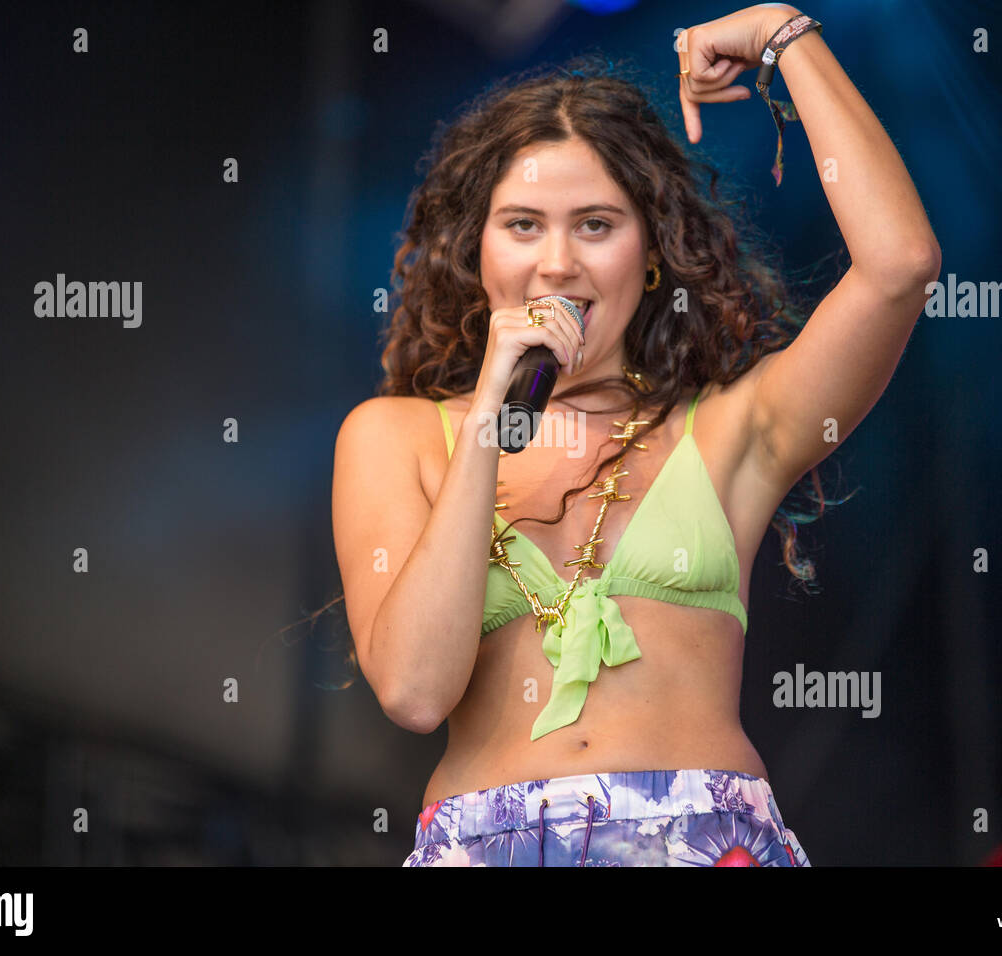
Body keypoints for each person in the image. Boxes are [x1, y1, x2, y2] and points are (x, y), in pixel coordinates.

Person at [330, 5, 939, 866]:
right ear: (478, 251)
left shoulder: (733, 431)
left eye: (596, 225)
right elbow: (417, 691)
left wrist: (785, 37)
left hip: (704, 841)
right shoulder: (395, 438)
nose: (557, 263)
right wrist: (489, 431)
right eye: (523, 225)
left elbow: (900, 267)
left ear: (648, 255)